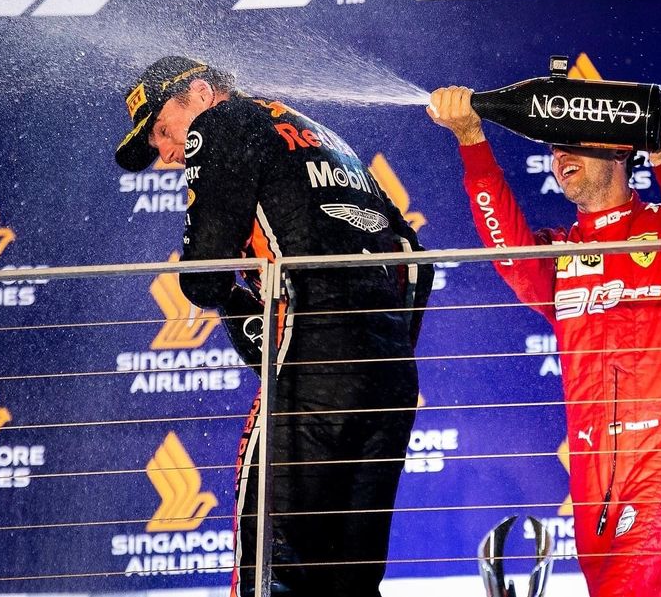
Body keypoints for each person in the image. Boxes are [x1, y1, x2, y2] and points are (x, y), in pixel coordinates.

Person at [115, 56, 433, 597]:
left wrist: (239, 307)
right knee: (351, 579)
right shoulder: (325, 136)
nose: (167, 153)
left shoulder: (223, 121)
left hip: (309, 366)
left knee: (273, 568)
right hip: (390, 378)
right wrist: (381, 342)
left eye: (164, 132)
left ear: (198, 93)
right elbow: (415, 260)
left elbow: (204, 272)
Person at [429, 86, 661, 596]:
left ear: (620, 149)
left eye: (573, 143)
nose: (560, 158)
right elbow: (506, 250)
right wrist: (471, 139)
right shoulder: (559, 252)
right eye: (554, 149)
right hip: (592, 470)